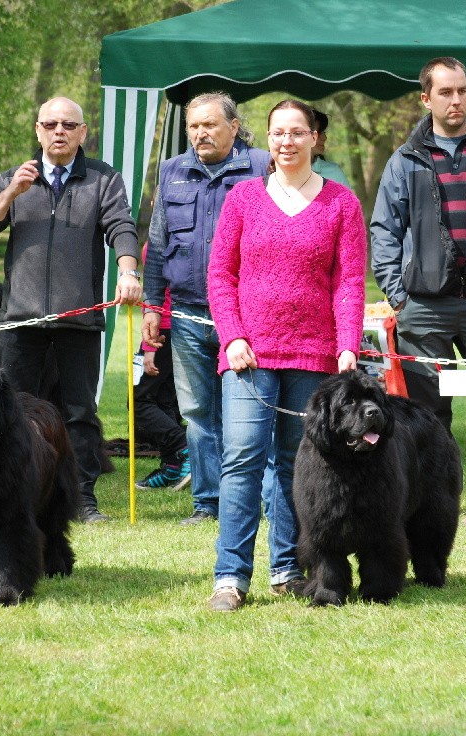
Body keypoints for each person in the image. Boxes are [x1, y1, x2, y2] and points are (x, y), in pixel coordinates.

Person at [205, 99, 367, 612]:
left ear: (315, 138)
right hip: (248, 355)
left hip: (314, 355)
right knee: (242, 459)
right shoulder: (243, 199)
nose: (287, 141)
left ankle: (287, 568)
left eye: (297, 132)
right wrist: (232, 336)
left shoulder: (342, 204)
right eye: (278, 132)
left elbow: (349, 281)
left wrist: (347, 344)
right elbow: (221, 275)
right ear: (267, 138)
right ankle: (230, 577)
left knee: (298, 465)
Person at [0, 96, 142, 523]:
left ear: (83, 132)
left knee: (79, 413)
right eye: (50, 124)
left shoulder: (103, 179)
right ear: (38, 130)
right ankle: (15, 494)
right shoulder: (14, 178)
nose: (59, 131)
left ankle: (82, 499)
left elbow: (121, 226)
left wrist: (128, 271)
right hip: (20, 319)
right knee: (13, 409)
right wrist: (12, 192)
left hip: (79, 319)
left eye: (68, 125)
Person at [370, 56, 466, 435]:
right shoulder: (404, 160)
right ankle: (431, 478)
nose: (456, 100)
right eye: (445, 92)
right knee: (425, 420)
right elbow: (385, 231)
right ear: (426, 99)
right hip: (423, 309)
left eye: (462, 91)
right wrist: (399, 296)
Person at [143, 92, 271, 525]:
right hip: (186, 313)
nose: (200, 133)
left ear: (233, 127)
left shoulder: (262, 166)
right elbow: (157, 244)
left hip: (247, 314)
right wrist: (152, 306)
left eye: (209, 124)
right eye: (193, 126)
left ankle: (258, 499)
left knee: (250, 410)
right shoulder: (171, 171)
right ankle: (209, 502)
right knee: (198, 413)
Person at [134, 253, 190, 492]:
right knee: (164, 400)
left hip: (162, 330)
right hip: (180, 327)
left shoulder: (158, 242)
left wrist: (149, 348)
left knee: (138, 402)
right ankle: (172, 466)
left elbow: (157, 291)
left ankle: (184, 447)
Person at [310, 108, 351, 189]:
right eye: (319, 133)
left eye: (324, 132)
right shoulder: (284, 172)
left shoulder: (334, 173)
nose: (325, 138)